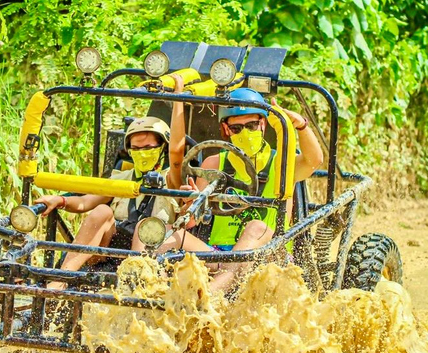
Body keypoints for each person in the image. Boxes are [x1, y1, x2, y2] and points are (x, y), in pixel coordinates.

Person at [131, 88, 324, 293]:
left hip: (268, 256)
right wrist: (190, 205)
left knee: (257, 227)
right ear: (226, 129)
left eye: (251, 126)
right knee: (150, 229)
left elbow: (315, 160)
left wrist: (301, 126)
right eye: (237, 128)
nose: (245, 133)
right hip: (219, 255)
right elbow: (190, 222)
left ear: (263, 124)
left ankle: (210, 299)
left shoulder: (282, 162)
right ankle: (146, 293)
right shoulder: (214, 163)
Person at [36, 75, 187, 288]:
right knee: (102, 212)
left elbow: (177, 152)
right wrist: (59, 200)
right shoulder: (121, 178)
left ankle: (135, 287)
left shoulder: (170, 179)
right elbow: (86, 202)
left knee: (147, 227)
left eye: (149, 148)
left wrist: (178, 94)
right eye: (136, 148)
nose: (142, 153)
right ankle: (59, 281)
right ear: (128, 150)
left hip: (151, 257)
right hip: (111, 249)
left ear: (162, 148)